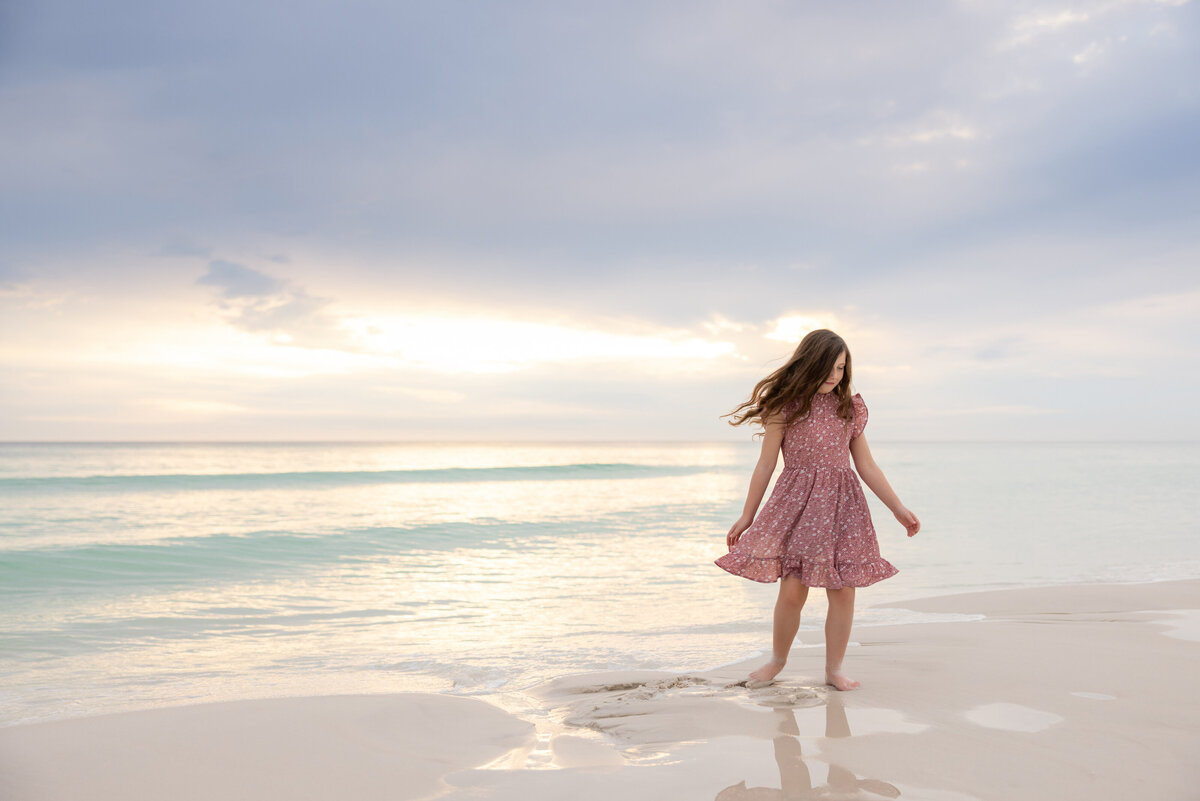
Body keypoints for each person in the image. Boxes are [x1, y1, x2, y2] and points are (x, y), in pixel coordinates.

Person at [715, 328, 920, 691]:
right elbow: (765, 465)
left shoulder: (848, 408)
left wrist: (897, 508)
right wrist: (747, 515)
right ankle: (777, 660)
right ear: (808, 363)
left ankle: (834, 669)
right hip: (799, 508)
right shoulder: (785, 407)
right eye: (828, 367)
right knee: (793, 590)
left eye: (841, 368)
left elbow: (867, 465)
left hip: (844, 507)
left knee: (843, 590)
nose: (834, 375)